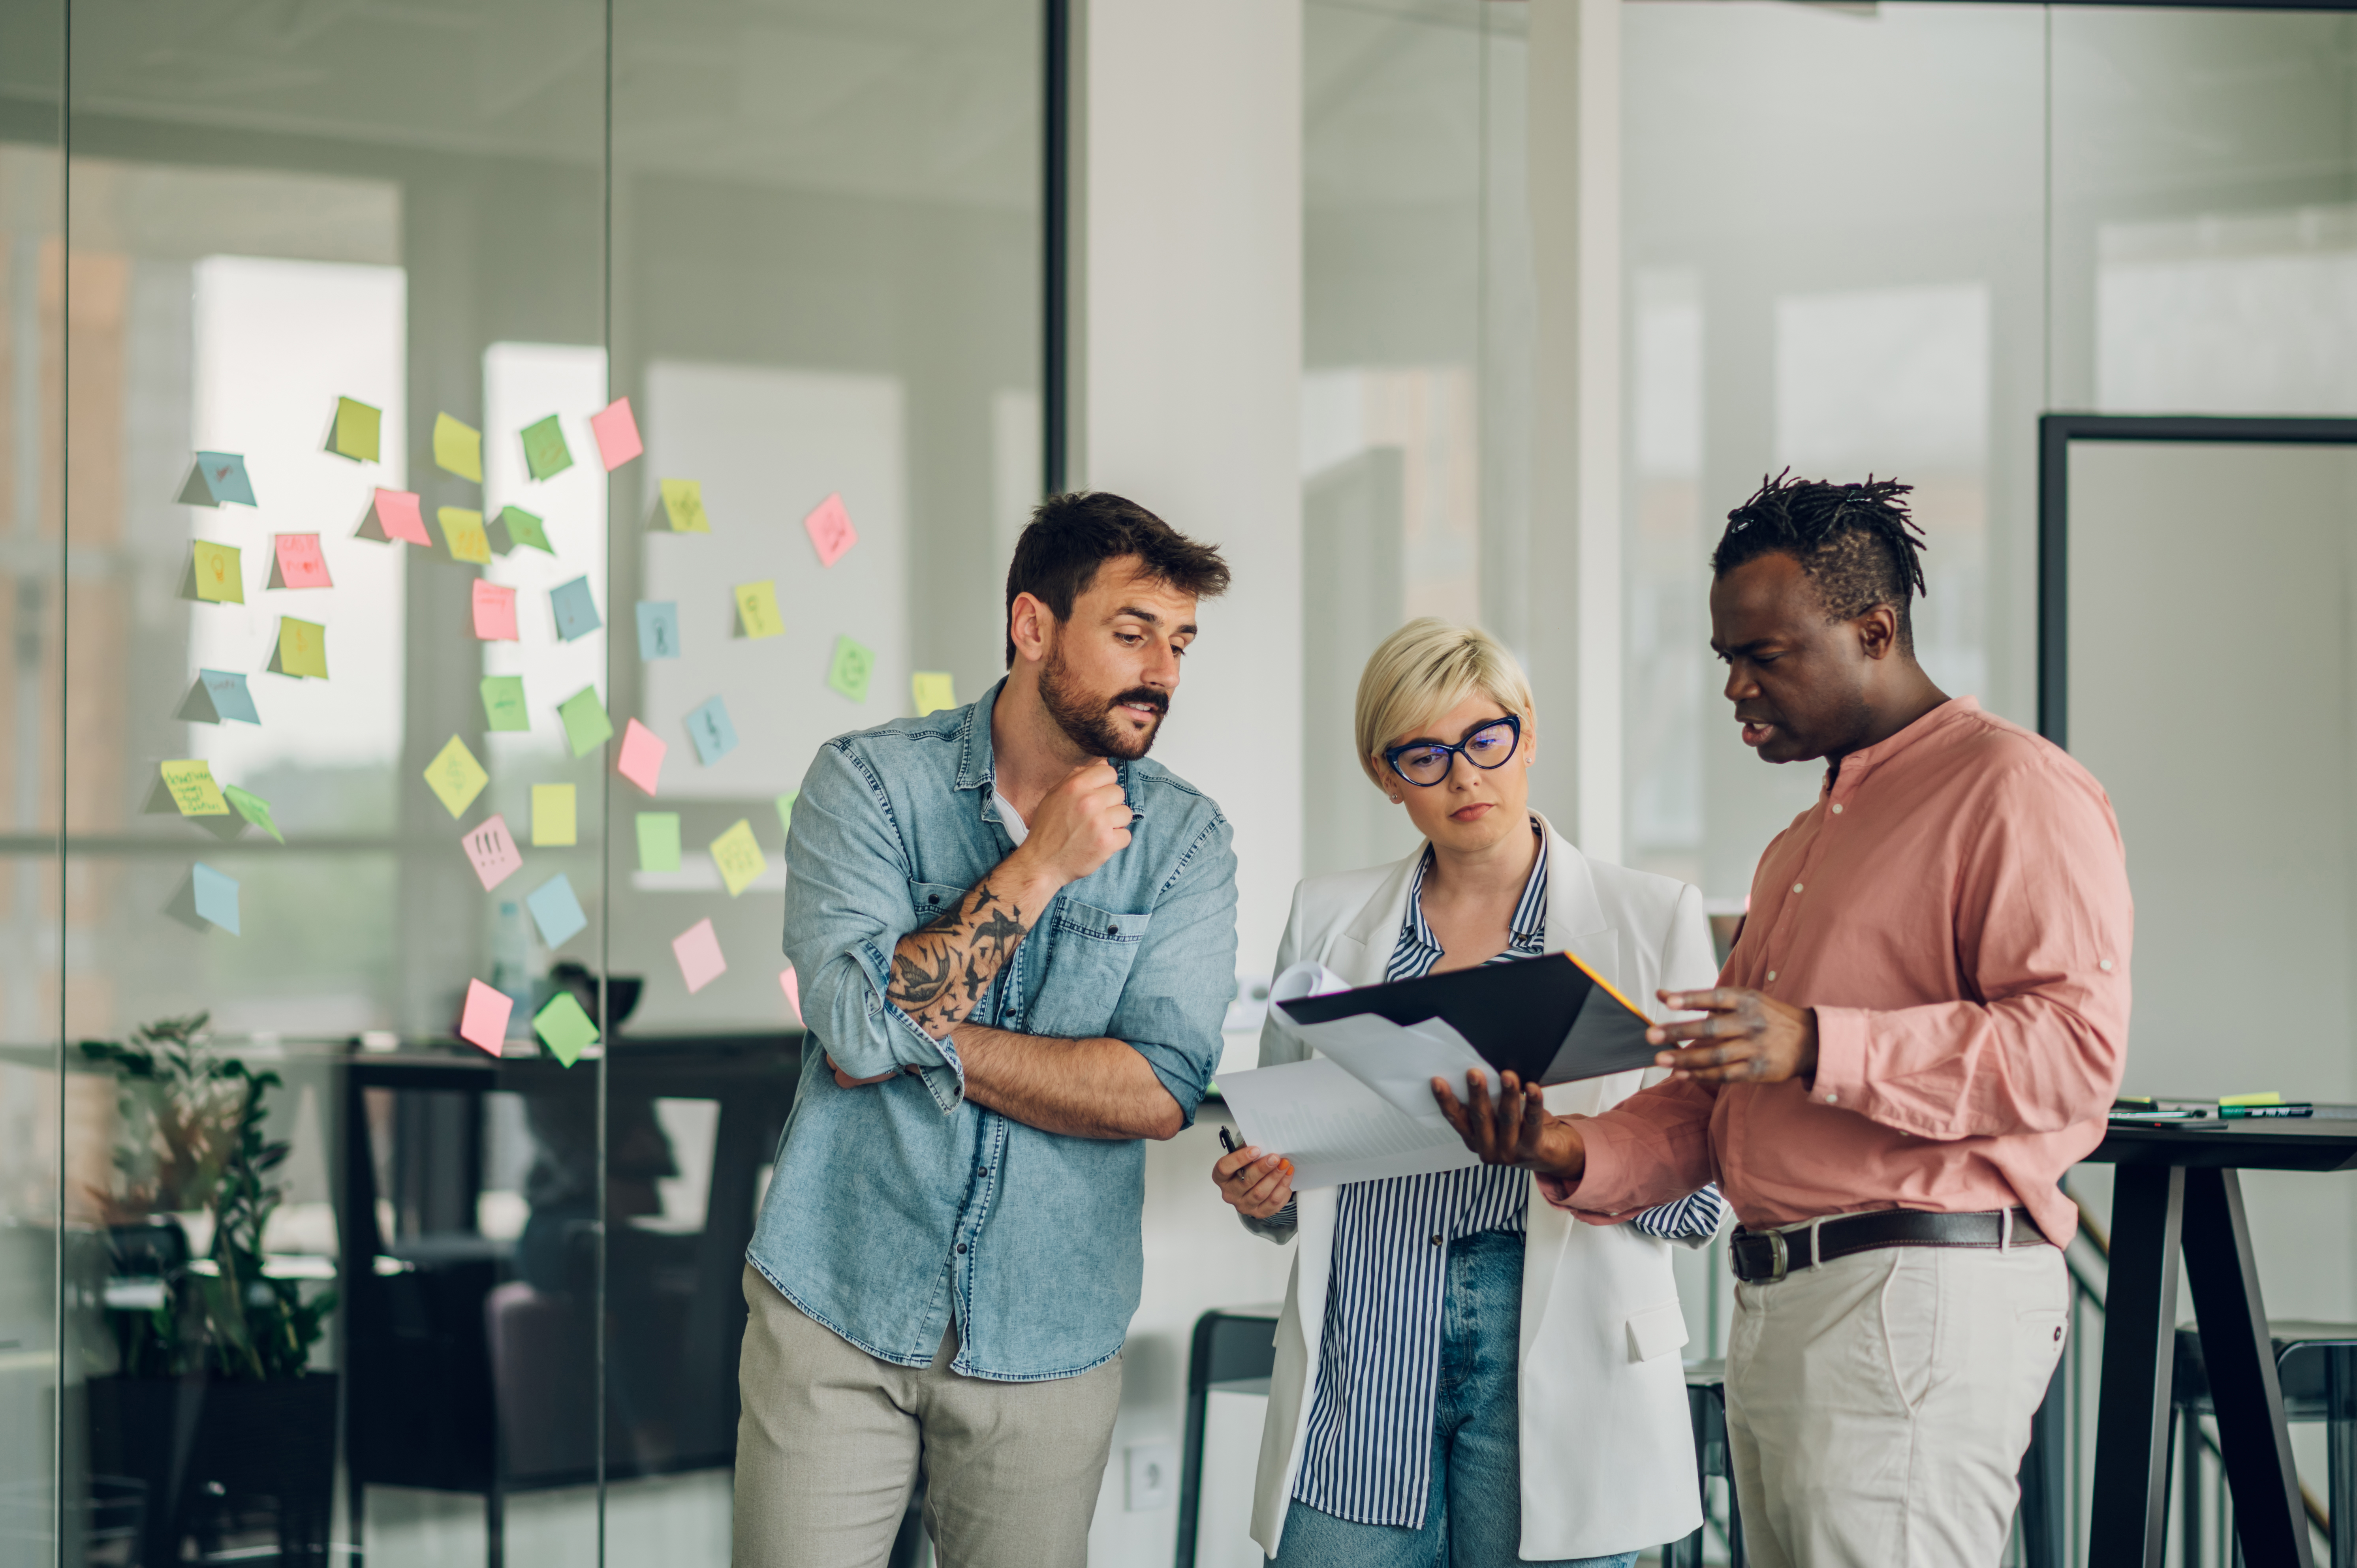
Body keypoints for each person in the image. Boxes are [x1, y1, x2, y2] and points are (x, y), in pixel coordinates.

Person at [1435, 475, 2134, 1568]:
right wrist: (1570, 1147)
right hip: (1784, 1304)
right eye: (1725, 657)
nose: (1735, 687)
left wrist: (1816, 1041)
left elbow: (2071, 1056)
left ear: (1875, 629)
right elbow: (1722, 1095)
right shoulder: (1802, 845)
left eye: (1765, 654)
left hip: (1913, 1293)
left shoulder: (2014, 787)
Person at [737, 492, 1240, 1568]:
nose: (1164, 669)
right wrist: (1042, 865)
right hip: (836, 1304)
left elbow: (1158, 1092)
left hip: (1048, 1335)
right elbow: (851, 1026)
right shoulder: (868, 780)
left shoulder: (1188, 842)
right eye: (1132, 631)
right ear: (1032, 627)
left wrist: (914, 1033)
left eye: (1181, 640)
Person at [1213, 619, 1725, 1567]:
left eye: (1484, 739)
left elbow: (1703, 1194)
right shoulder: (1326, 917)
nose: (1463, 777)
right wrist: (1261, 1191)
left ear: (1526, 732)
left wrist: (1571, 1151)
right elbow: (1282, 1144)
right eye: (1424, 754)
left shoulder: (1653, 920)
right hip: (1364, 1355)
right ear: (1384, 773)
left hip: (1562, 1362)